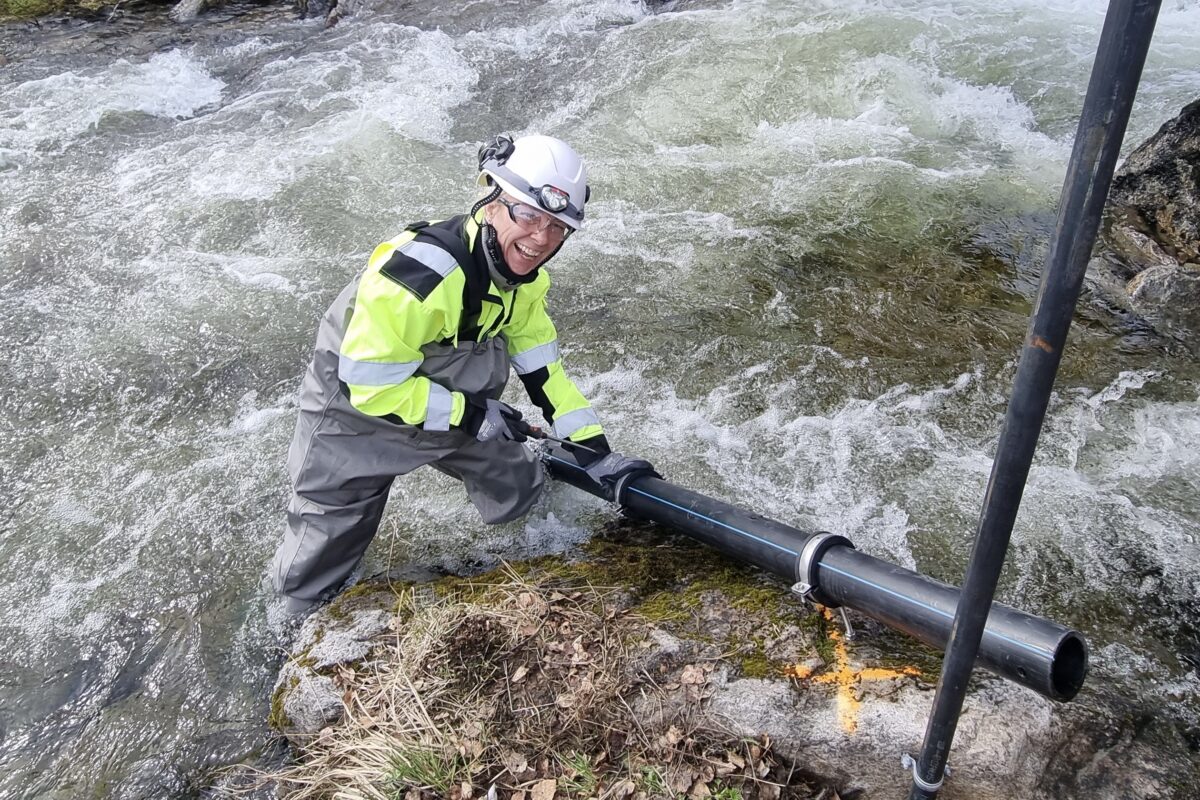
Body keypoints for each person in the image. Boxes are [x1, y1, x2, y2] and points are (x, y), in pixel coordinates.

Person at [270, 134, 612, 613]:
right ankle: (289, 634)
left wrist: (591, 442)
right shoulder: (421, 274)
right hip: (355, 405)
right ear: (491, 201)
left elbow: (542, 367)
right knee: (325, 544)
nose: (541, 239)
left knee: (522, 486)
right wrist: (471, 417)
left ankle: (529, 557)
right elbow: (368, 383)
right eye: (528, 215)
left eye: (558, 227)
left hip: (456, 402)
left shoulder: (526, 282)